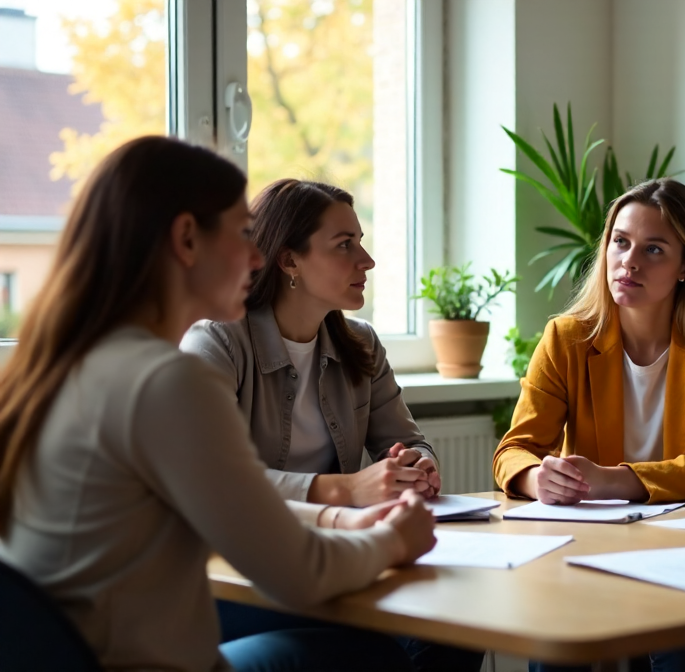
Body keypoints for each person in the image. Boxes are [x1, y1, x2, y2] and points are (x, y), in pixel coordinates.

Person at [0, 136, 436, 671]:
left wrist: (339, 520)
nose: (257, 258)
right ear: (187, 239)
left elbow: (225, 501)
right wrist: (395, 540)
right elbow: (296, 571)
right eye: (244, 234)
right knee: (380, 656)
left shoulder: (72, 364)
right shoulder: (165, 381)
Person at [182, 178, 482, 672]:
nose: (367, 261)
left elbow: (407, 440)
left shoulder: (360, 344)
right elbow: (209, 480)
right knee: (384, 652)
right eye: (346, 245)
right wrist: (344, 490)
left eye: (361, 242)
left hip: (331, 553)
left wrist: (418, 468)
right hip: (235, 575)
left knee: (460, 625)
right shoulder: (217, 340)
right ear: (289, 260)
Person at [494, 178, 685, 672]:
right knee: (556, 653)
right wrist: (538, 477)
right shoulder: (566, 338)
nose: (629, 261)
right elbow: (516, 449)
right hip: (590, 542)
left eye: (654, 249)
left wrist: (614, 480)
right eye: (620, 241)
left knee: (682, 653)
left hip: (684, 547)